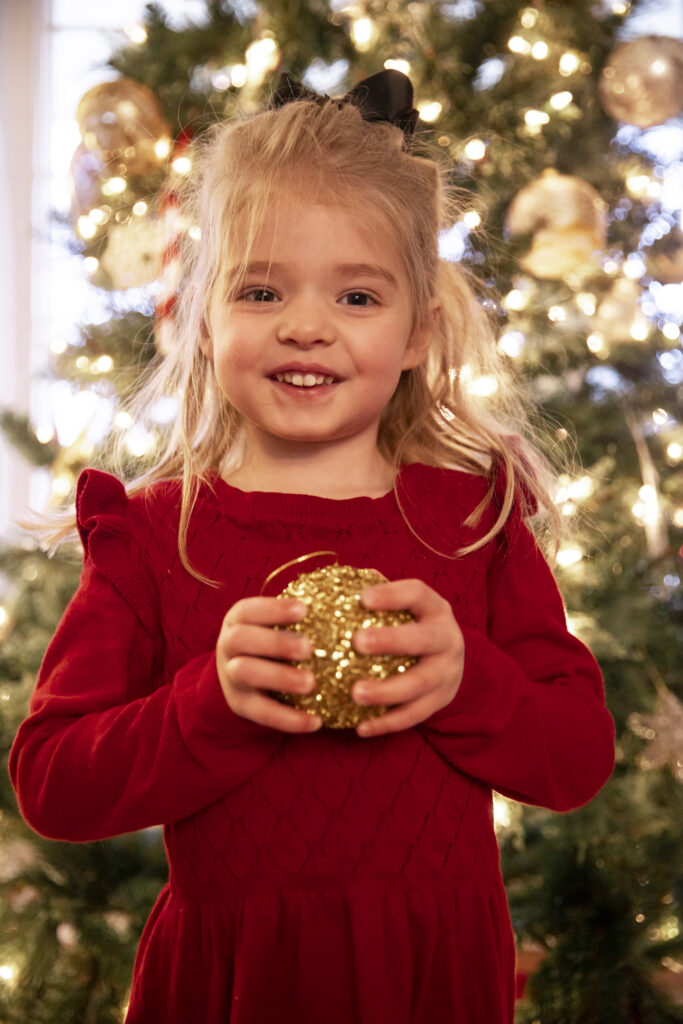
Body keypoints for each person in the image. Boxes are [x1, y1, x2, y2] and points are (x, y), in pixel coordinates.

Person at [9, 70, 615, 1024]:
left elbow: (575, 760)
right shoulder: (154, 537)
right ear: (202, 318)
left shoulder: (474, 521)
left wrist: (469, 682)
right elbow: (53, 783)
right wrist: (210, 704)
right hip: (232, 985)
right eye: (260, 289)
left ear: (419, 330)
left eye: (357, 297)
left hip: (435, 983)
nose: (304, 325)